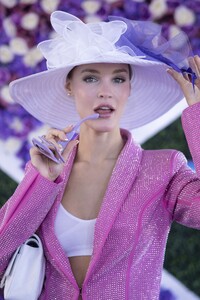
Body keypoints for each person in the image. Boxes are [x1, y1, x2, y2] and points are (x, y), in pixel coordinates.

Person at [0, 10, 200, 300]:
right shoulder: (49, 170)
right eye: (91, 78)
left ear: (129, 88)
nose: (106, 92)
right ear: (70, 87)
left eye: (118, 79)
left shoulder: (163, 167)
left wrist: (197, 114)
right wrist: (41, 180)